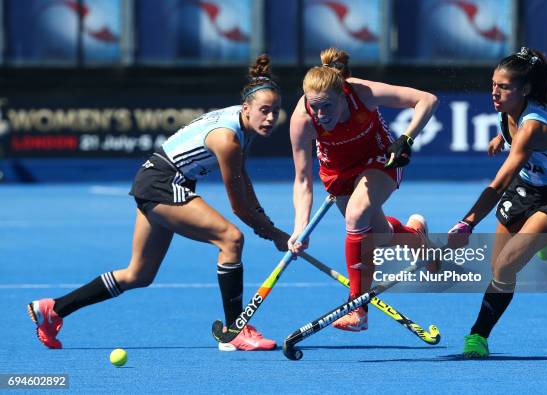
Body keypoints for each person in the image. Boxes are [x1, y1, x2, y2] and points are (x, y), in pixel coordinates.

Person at [27, 54, 288, 352]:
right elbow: (238, 204)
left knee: (138, 274)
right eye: (264, 111)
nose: (270, 118)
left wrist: (269, 226)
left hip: (155, 179)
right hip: (165, 182)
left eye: (276, 112)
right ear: (246, 109)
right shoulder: (227, 139)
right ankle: (234, 330)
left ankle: (53, 309)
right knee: (231, 239)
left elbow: (243, 178)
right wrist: (274, 232)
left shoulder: (243, 124)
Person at [287, 48, 438, 331]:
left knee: (356, 217)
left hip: (381, 158)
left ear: (342, 95)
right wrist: (300, 228)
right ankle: (418, 239)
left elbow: (427, 100)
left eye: (327, 106)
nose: (320, 115)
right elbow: (303, 180)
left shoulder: (363, 93)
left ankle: (357, 308)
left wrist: (406, 139)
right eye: (314, 106)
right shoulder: (302, 119)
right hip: (337, 171)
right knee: (377, 238)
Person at [447, 47, 547, 358]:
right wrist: (501, 139)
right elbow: (510, 136)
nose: (495, 92)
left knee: (508, 264)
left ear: (525, 89)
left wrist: (467, 222)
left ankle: (477, 336)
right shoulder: (506, 111)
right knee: (500, 271)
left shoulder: (534, 126)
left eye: (504, 87)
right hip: (527, 189)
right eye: (493, 84)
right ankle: (541, 239)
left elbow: (499, 183)